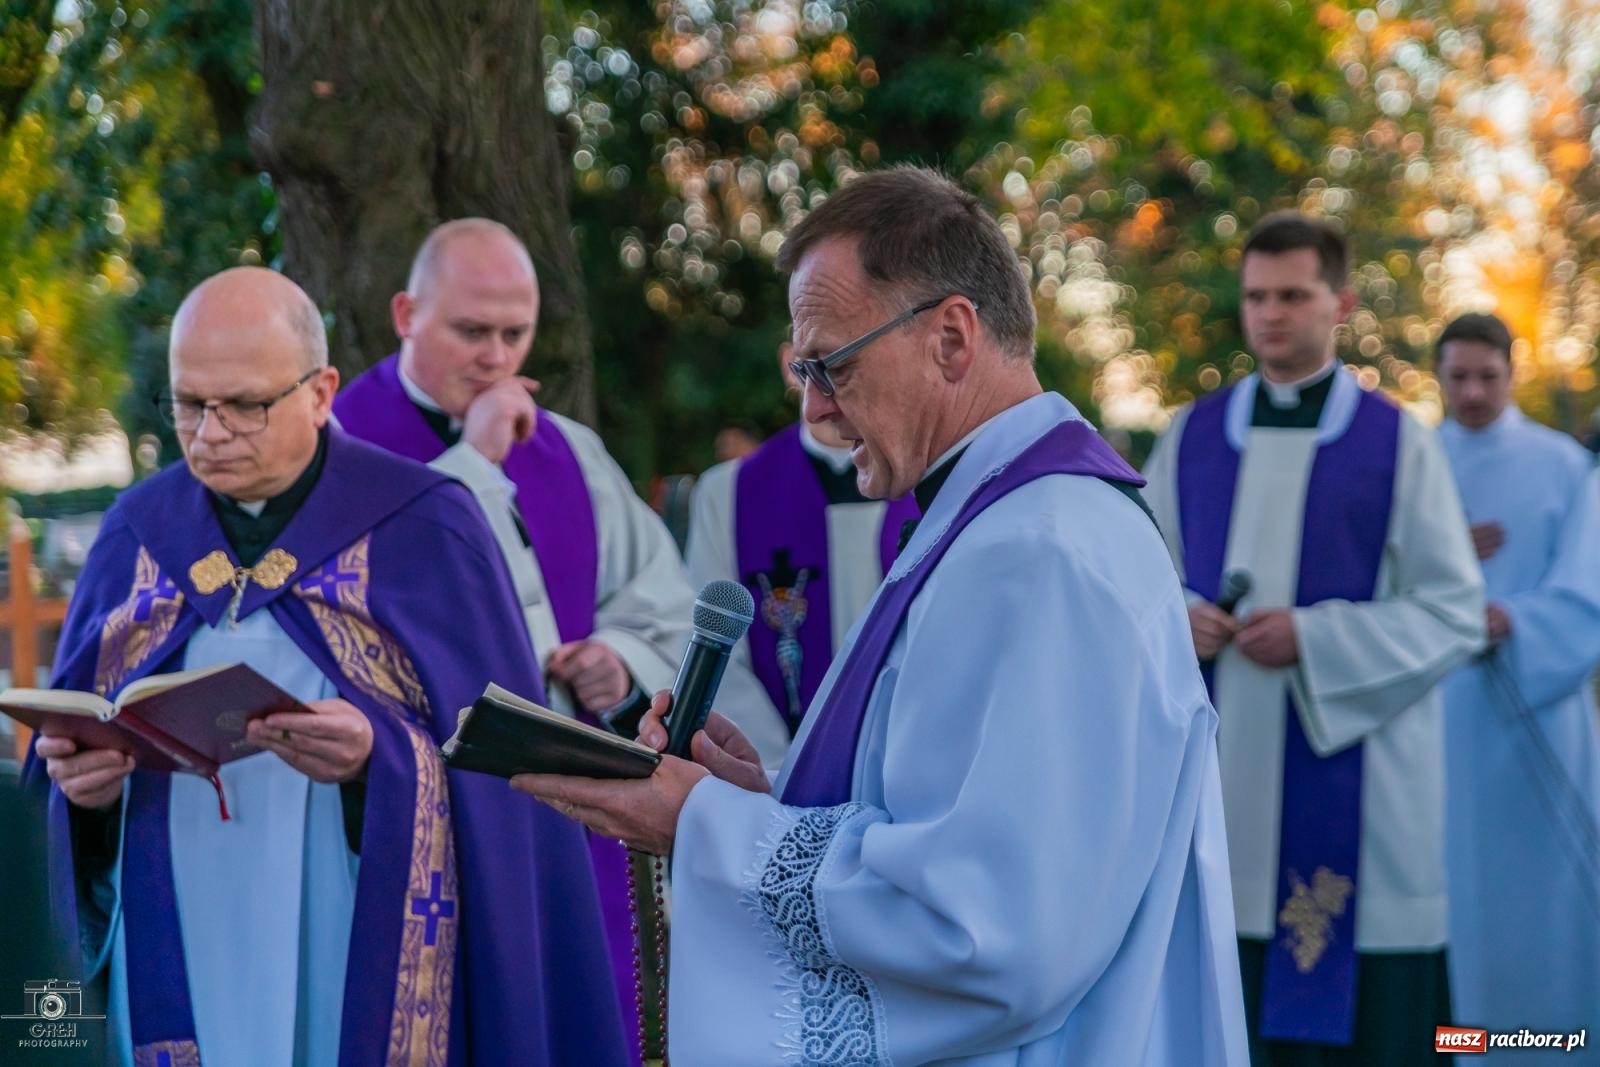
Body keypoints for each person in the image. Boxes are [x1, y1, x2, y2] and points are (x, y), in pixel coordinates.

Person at [514, 166, 1248, 1065]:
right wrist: (763, 800)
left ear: (949, 337)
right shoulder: (994, 523)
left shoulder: (1040, 552)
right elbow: (944, 822)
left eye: (833, 366)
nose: (815, 411)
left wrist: (705, 825)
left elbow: (987, 929)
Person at [32, 268, 627, 1066]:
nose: (209, 433)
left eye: (244, 404)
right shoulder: (137, 534)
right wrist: (84, 798)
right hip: (173, 931)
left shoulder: (427, 525)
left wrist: (376, 762)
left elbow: (505, 792)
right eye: (186, 403)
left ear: (321, 392)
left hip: (351, 935)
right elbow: (62, 777)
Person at [332, 218, 790, 1053]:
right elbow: (372, 600)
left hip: (564, 810)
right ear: (406, 313)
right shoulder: (339, 445)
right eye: (472, 331)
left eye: (516, 333)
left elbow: (659, 599)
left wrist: (620, 659)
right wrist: (472, 462)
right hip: (419, 803)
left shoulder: (569, 453)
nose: (497, 357)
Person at [1142, 213, 1486, 1063]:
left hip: (1358, 808)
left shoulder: (1396, 442)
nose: (1270, 314)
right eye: (1256, 296)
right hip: (1218, 794)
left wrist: (1316, 638)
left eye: (1293, 295)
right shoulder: (1189, 437)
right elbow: (1131, 586)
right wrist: (1173, 616)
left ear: (1340, 303)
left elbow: (1455, 609)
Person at [1434, 311, 1600, 1061]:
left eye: (1487, 377)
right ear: (1437, 374)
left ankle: (1550, 1046)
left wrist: (1514, 618)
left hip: (1541, 711)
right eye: (1458, 376)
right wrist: (1440, 554)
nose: (1472, 392)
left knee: (1543, 907)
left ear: (1514, 370)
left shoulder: (1565, 465)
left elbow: (1588, 586)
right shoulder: (1414, 463)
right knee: (1452, 900)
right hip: (1434, 717)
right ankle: (1457, 1044)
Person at [685, 342, 919, 739]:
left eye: (848, 362)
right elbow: (715, 648)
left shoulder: (930, 483)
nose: (832, 385)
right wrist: (782, 772)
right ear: (790, 366)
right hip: (773, 768)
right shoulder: (726, 494)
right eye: (817, 365)